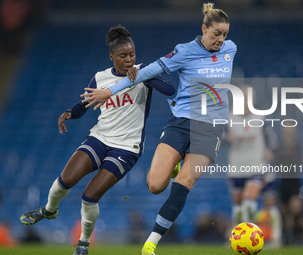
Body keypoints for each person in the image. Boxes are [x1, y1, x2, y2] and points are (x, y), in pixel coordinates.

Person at [81, 3, 236, 254]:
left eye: (225, 34)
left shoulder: (231, 49)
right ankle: (175, 162)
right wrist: (108, 91)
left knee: (184, 182)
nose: (221, 39)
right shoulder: (184, 51)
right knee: (155, 185)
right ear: (204, 28)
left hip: (211, 127)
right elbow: (149, 71)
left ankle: (151, 242)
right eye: (216, 33)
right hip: (181, 123)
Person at [19, 25, 175, 255]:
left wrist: (141, 76)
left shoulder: (144, 73)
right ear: (111, 56)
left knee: (89, 197)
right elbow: (85, 104)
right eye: (123, 56)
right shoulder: (100, 77)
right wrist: (69, 113)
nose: (129, 60)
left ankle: (82, 243)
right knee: (66, 179)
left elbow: (170, 89)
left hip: (126, 148)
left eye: (132, 54)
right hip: (99, 138)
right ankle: (49, 210)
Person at [223, 86, 278, 225]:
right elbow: (218, 137)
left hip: (256, 165)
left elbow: (272, 137)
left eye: (249, 97)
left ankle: (249, 233)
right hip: (236, 167)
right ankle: (237, 234)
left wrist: (270, 149)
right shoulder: (229, 117)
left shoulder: (261, 116)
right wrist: (227, 137)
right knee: (238, 205)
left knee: (249, 200)